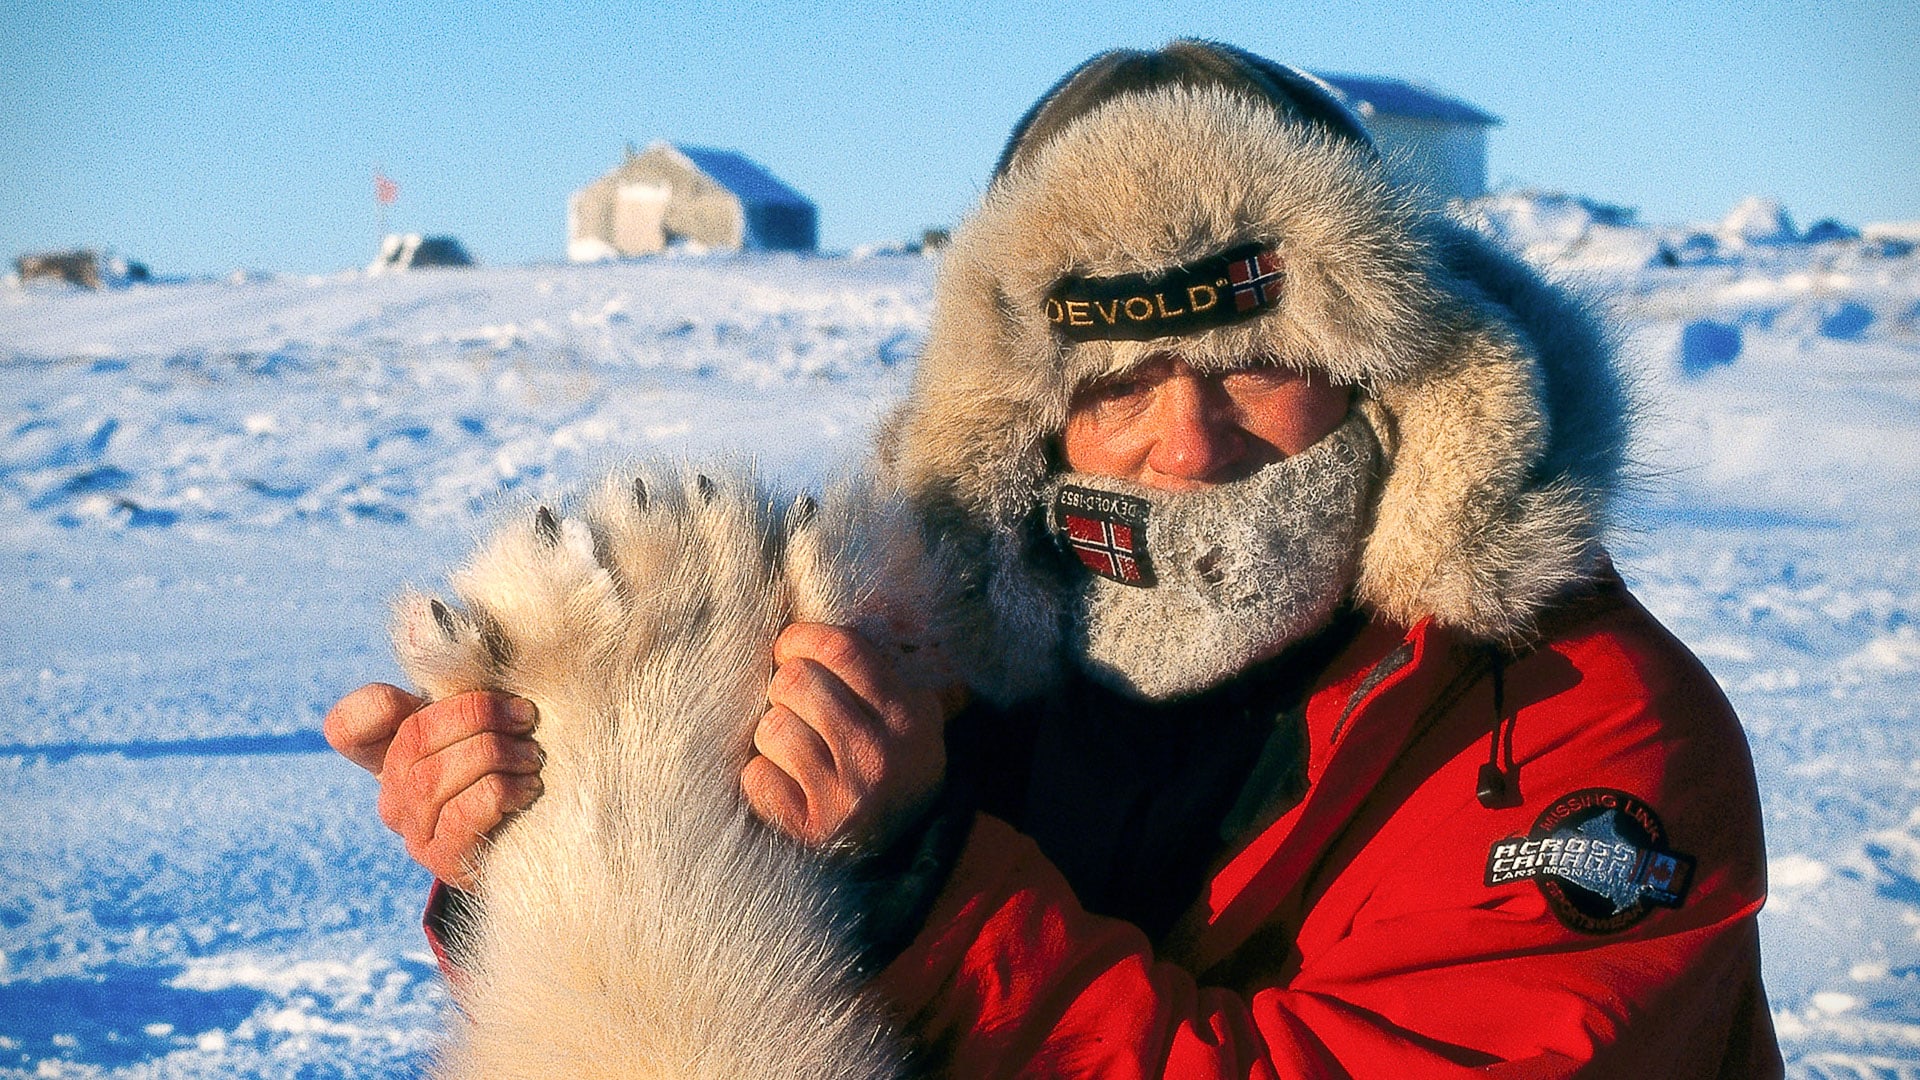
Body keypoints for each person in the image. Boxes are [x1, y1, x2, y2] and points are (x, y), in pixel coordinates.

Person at [326, 41, 1781, 1076]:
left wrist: (921, 889)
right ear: (1027, 421)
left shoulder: (1571, 723)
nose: (1187, 444)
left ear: (1388, 375)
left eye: (1259, 360)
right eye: (1119, 381)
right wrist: (563, 832)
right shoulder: (937, 662)